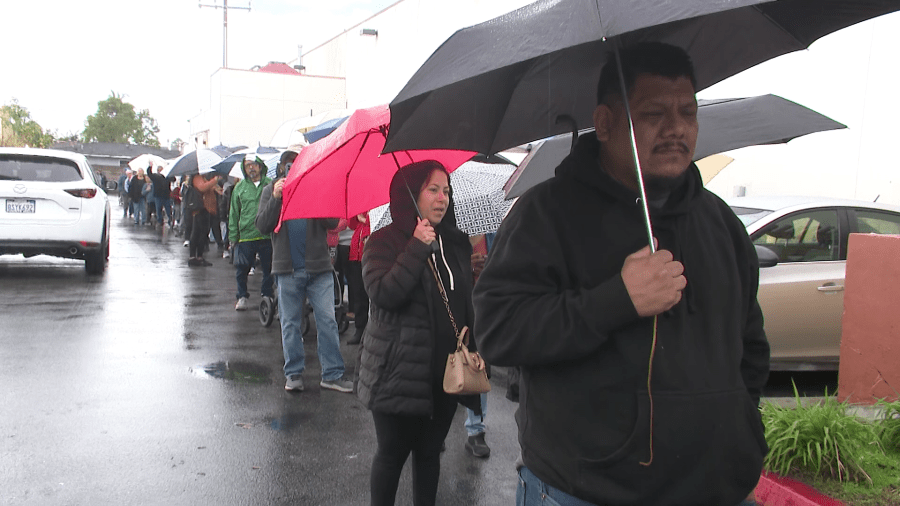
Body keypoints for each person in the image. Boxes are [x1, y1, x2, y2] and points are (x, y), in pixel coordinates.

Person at [472, 42, 770, 506]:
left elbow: (749, 348)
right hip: (586, 491)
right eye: (654, 113)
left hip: (717, 490)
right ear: (606, 122)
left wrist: (736, 425)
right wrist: (615, 300)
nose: (676, 129)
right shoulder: (546, 216)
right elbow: (499, 332)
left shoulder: (722, 223)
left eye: (688, 112)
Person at [358, 160, 481, 506]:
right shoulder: (382, 242)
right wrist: (416, 246)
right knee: (392, 455)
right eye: (433, 190)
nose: (443, 198)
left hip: (444, 374)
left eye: (447, 190)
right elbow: (384, 293)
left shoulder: (455, 242)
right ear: (410, 195)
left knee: (429, 455)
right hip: (398, 373)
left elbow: (463, 302)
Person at [255, 150, 353, 394]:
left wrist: (317, 193)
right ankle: (293, 374)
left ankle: (332, 374)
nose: (292, 170)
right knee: (290, 324)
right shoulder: (270, 191)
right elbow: (263, 225)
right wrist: (277, 197)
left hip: (319, 268)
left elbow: (332, 222)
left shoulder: (316, 186)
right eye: (287, 166)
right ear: (280, 169)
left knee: (328, 321)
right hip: (287, 269)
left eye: (296, 165)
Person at [229, 155, 274, 310]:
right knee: (242, 268)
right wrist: (233, 236)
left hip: (266, 234)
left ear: (260, 166)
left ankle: (267, 295)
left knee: (269, 267)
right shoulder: (239, 188)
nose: (251, 168)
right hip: (246, 235)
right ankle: (242, 296)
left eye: (254, 164)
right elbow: (234, 213)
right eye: (248, 165)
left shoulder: (270, 185)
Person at [345, 211, 370, 345]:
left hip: (370, 254)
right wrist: (356, 214)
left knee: (369, 295)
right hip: (356, 254)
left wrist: (366, 219)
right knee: (358, 293)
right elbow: (352, 224)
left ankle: (369, 330)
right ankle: (359, 329)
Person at [188, 172, 220, 266]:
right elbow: (202, 187)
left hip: (206, 210)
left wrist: (214, 185)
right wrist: (214, 181)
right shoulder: (197, 177)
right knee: (198, 233)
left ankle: (198, 256)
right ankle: (195, 257)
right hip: (201, 209)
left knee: (202, 233)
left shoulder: (203, 178)